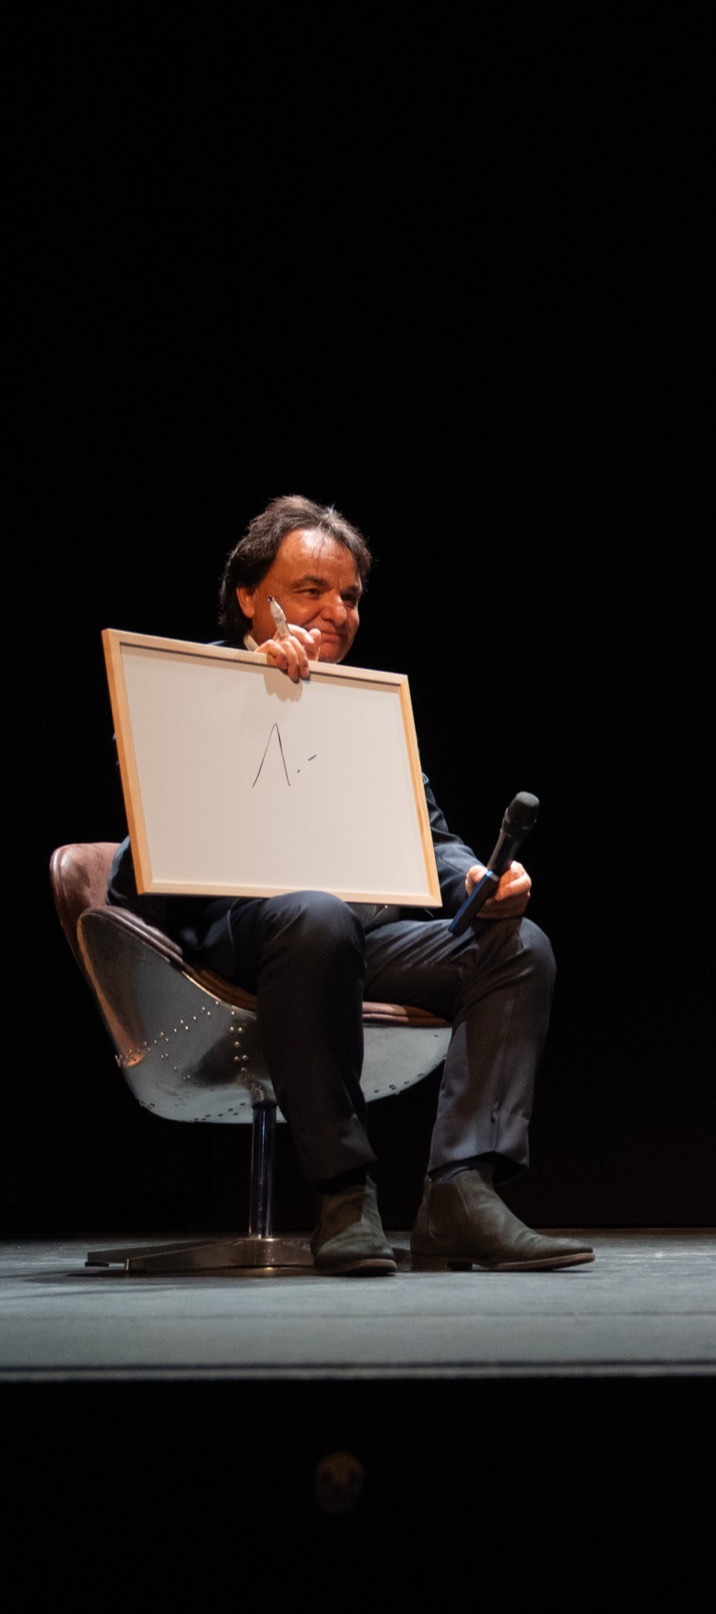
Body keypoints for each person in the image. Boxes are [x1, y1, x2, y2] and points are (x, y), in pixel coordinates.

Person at [108, 497, 590, 1275]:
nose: (337, 611)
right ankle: (342, 1195)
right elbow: (141, 855)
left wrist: (478, 877)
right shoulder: (193, 685)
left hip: (360, 938)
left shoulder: (362, 710)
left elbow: (431, 837)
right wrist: (245, 687)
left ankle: (462, 1191)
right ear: (250, 597)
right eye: (311, 590)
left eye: (351, 596)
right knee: (316, 916)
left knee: (516, 946)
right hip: (235, 939)